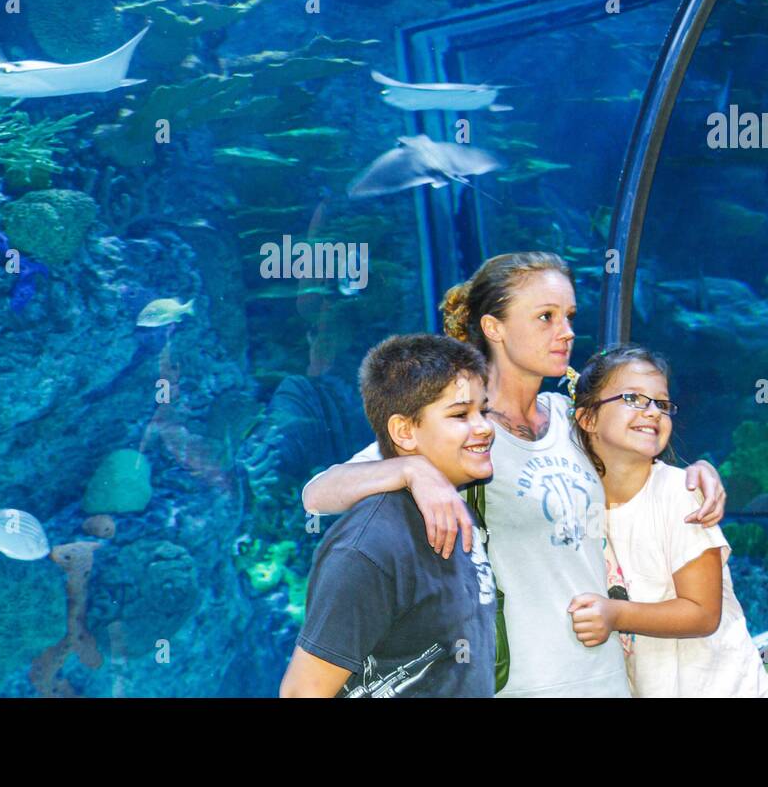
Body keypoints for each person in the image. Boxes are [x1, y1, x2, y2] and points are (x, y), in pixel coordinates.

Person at [302, 252, 726, 697]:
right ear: (494, 327)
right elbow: (318, 493)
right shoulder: (463, 433)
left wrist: (695, 475)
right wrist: (410, 470)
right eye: (545, 317)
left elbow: (639, 476)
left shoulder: (571, 418)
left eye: (569, 316)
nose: (566, 332)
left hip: (607, 681)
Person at [279, 334, 497, 697]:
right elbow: (303, 693)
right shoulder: (370, 547)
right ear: (404, 432)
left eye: (484, 411)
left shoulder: (453, 506)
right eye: (460, 414)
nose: (485, 427)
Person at [567, 344, 768, 697]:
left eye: (661, 404)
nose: (652, 412)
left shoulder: (679, 493)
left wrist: (614, 615)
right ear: (587, 418)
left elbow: (702, 613)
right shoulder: (579, 503)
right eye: (633, 398)